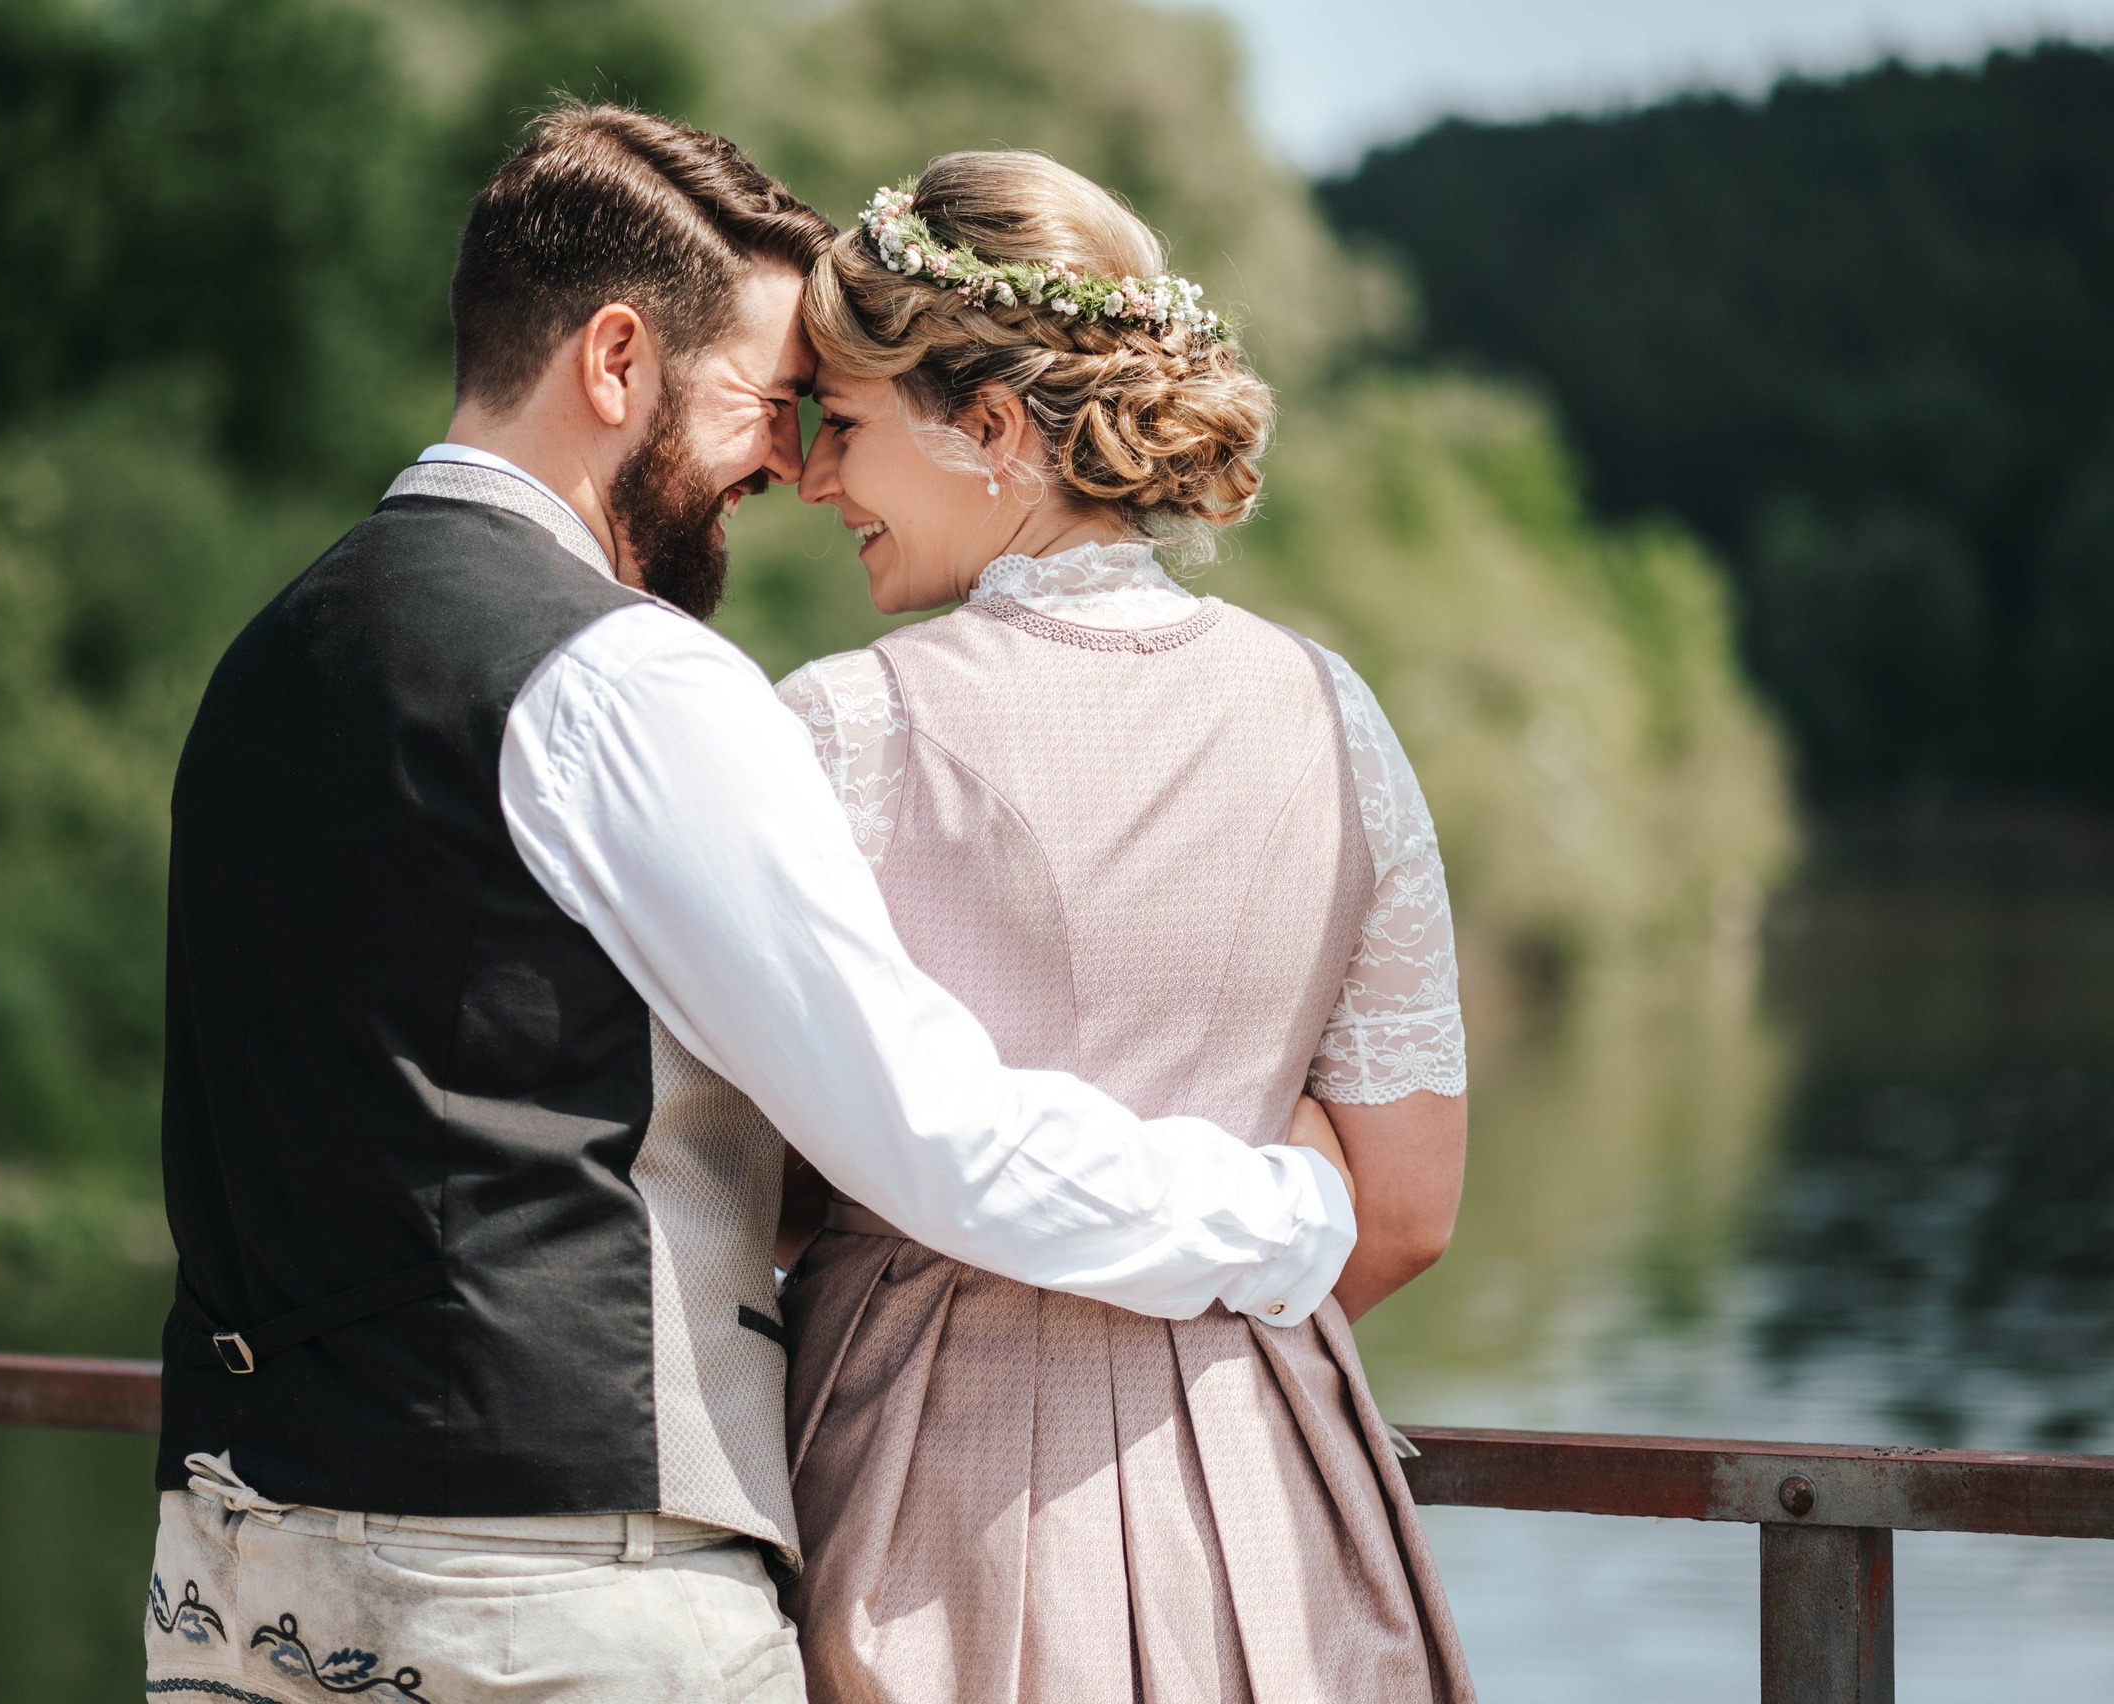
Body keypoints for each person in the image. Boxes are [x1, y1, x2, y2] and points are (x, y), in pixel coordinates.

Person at [145, 108, 1359, 1704]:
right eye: (770, 403)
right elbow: (929, 1135)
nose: (789, 465)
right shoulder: (625, 682)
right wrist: (1287, 1219)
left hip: (231, 1572)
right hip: (544, 1596)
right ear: (618, 359)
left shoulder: (268, 659)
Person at [773, 151, 1477, 1703]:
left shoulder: (838, 733)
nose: (817, 479)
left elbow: (742, 1182)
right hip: (1263, 1486)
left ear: (995, 429)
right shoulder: (1333, 715)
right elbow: (1409, 1207)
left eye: (848, 425)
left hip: (920, 1500)